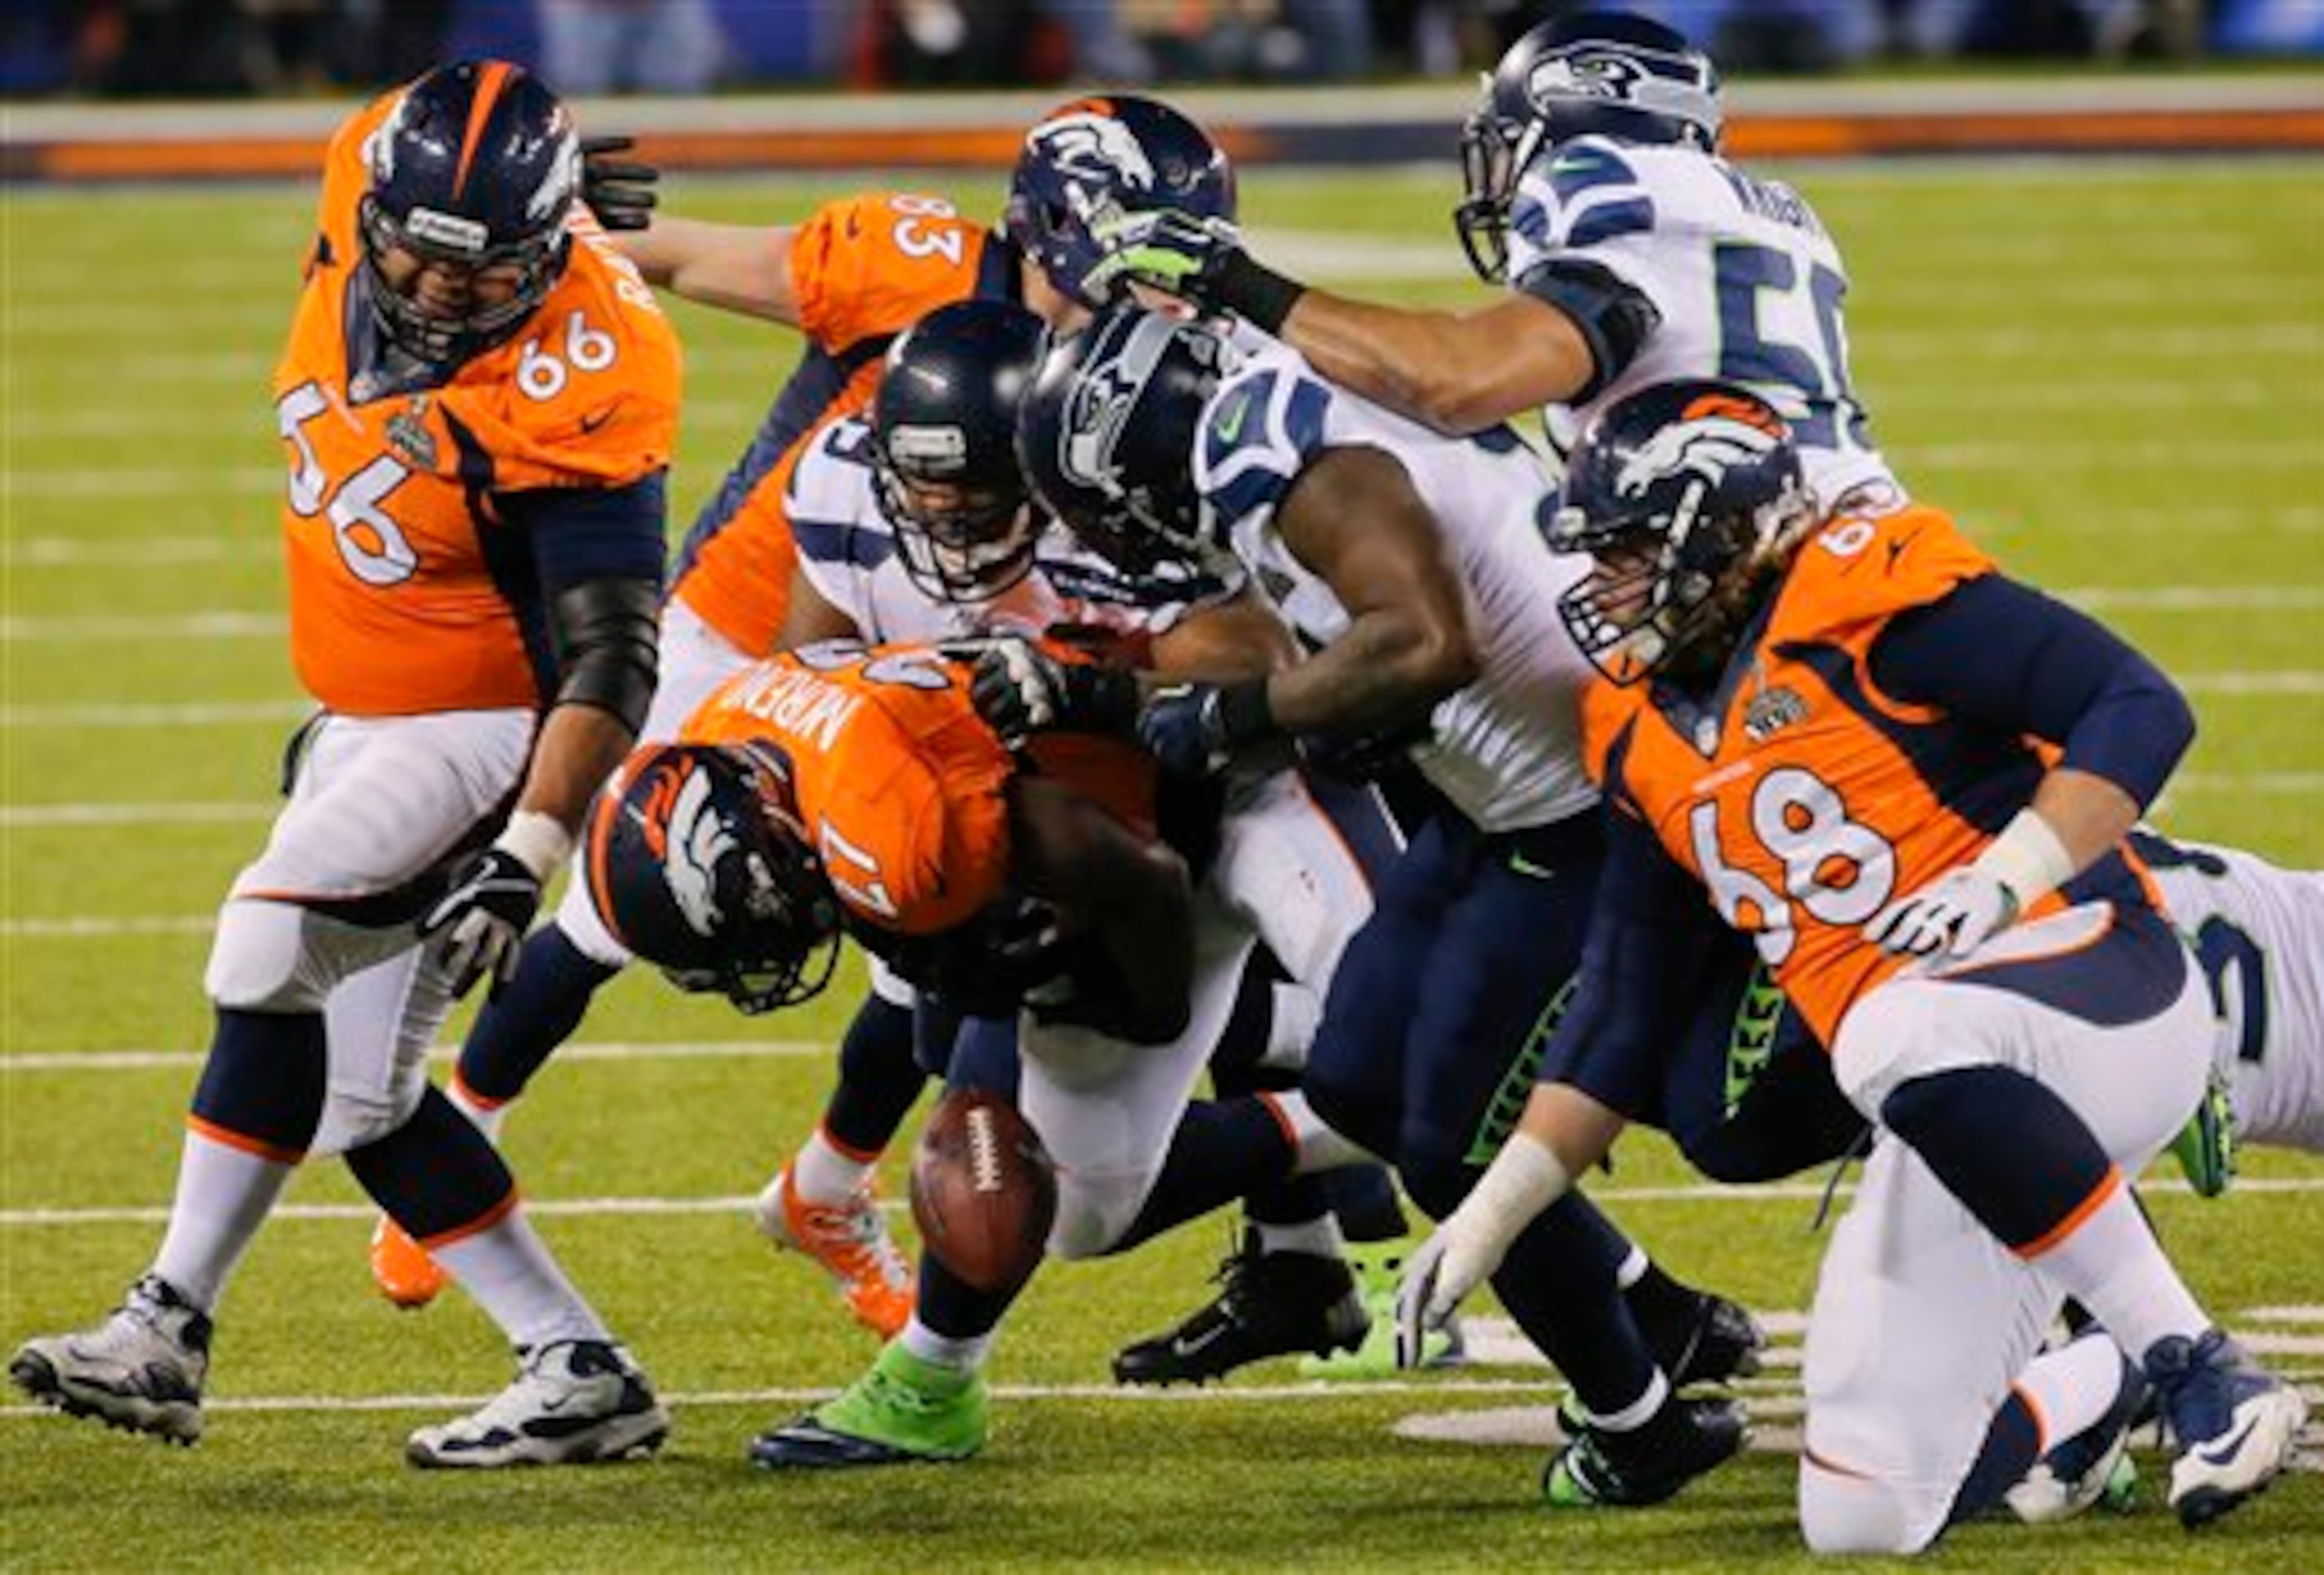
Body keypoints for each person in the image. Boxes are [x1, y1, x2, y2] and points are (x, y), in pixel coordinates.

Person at [1396, 378, 2308, 1550]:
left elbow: (2136, 703)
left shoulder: (1859, 593)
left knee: (1884, 1029)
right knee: (1861, 1510)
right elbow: (1623, 1010)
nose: (1601, 586)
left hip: (2096, 981)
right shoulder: (1636, 727)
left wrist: (2003, 875)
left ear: (1719, 533)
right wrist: (1492, 1219)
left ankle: (2203, 1371)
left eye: (1626, 551)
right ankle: (2097, 1382)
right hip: (1952, 1090)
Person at [367, 93, 1239, 1317]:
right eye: (1123, 265)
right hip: (757, 621)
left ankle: (830, 1185)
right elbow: (702, 260)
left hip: (952, 637)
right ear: (1043, 235)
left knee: (923, 922)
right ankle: (457, 1143)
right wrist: (547, 228)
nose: (1148, 300)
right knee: (621, 900)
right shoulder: (915, 264)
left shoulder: (1152, 364)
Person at [10, 61, 679, 1467]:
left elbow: (612, 659)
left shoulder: (590, 366)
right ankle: (582, 1368)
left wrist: (528, 852)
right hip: (368, 719)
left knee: (262, 946)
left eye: (484, 273)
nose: (437, 295)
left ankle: (166, 1326)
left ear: (553, 253)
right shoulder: (362, 171)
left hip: (487, 728)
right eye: (415, 255)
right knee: (365, 1100)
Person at [989, 304, 1760, 1507]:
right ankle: (1658, 1316)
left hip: (1582, 815)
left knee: (1463, 1133)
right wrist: (1114, 694)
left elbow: (1425, 641)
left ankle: (1637, 1420)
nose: (1117, 535)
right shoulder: (1264, 428)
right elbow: (1327, 637)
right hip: (1489, 806)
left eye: (1103, 504)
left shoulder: (1284, 455)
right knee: (1357, 1083)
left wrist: (1235, 722)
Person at [1082, 9, 1896, 523]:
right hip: (1831, 528)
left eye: (1507, 144)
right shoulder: (1760, 209)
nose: (1498, 178)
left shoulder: (1612, 180)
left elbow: (1461, 381)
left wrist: (1235, 281)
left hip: (1769, 574)